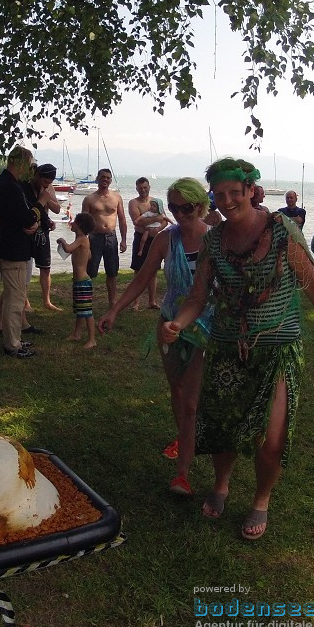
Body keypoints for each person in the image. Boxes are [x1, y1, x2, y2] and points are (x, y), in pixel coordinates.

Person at [163, 158, 314, 540]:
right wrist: (178, 324)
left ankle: (261, 500)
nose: (227, 200)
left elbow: (313, 285)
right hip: (224, 346)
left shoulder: (282, 233)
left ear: (251, 190)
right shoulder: (214, 242)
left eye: (234, 193)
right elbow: (198, 297)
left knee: (272, 437)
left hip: (277, 346)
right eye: (219, 195)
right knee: (223, 428)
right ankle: (221, 485)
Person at [100, 177, 213, 498]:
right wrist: (115, 309)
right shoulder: (166, 239)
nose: (180, 214)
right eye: (174, 207)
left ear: (200, 206)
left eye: (187, 208)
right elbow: (142, 278)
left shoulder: (215, 240)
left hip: (204, 329)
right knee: (176, 390)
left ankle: (183, 474)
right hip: (168, 326)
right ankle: (184, 437)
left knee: (191, 402)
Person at [0, 147, 51, 358]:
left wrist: (31, 222)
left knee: (11, 297)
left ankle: (13, 338)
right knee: (15, 300)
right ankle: (12, 345)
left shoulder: (6, 183)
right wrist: (42, 203)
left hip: (7, 245)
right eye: (29, 164)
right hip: (13, 250)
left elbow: (20, 217)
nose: (31, 168)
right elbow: (26, 218)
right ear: (20, 163)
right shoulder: (11, 186)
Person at [81, 168, 128, 308]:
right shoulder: (89, 199)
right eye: (103, 177)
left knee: (112, 271)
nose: (105, 180)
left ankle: (112, 301)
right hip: (94, 237)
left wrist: (124, 240)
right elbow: (83, 223)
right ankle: (86, 299)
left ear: (111, 180)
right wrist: (84, 243)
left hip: (111, 238)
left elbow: (122, 219)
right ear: (97, 178)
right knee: (90, 271)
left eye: (108, 177)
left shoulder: (116, 197)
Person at [128, 177, 170, 310]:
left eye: (145, 187)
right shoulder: (133, 203)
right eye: (140, 188)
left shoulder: (156, 202)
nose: (143, 190)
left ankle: (152, 301)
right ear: (136, 189)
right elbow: (138, 221)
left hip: (154, 239)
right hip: (140, 237)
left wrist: (158, 228)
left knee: (153, 270)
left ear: (149, 187)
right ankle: (136, 302)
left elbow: (165, 220)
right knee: (138, 270)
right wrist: (156, 218)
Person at [59, 212, 96, 349]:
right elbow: (90, 255)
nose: (71, 223)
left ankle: (92, 339)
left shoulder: (81, 239)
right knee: (81, 310)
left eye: (74, 221)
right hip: (79, 280)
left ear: (79, 225)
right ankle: (77, 334)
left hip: (83, 281)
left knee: (87, 312)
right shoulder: (83, 240)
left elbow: (68, 248)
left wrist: (62, 240)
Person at [31, 163, 63, 312]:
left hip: (43, 230)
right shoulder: (28, 186)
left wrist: (46, 197)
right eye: (45, 182)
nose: (47, 184)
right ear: (38, 176)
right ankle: (25, 301)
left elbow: (56, 209)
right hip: (29, 228)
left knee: (45, 267)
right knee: (25, 266)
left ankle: (47, 301)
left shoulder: (49, 188)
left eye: (49, 183)